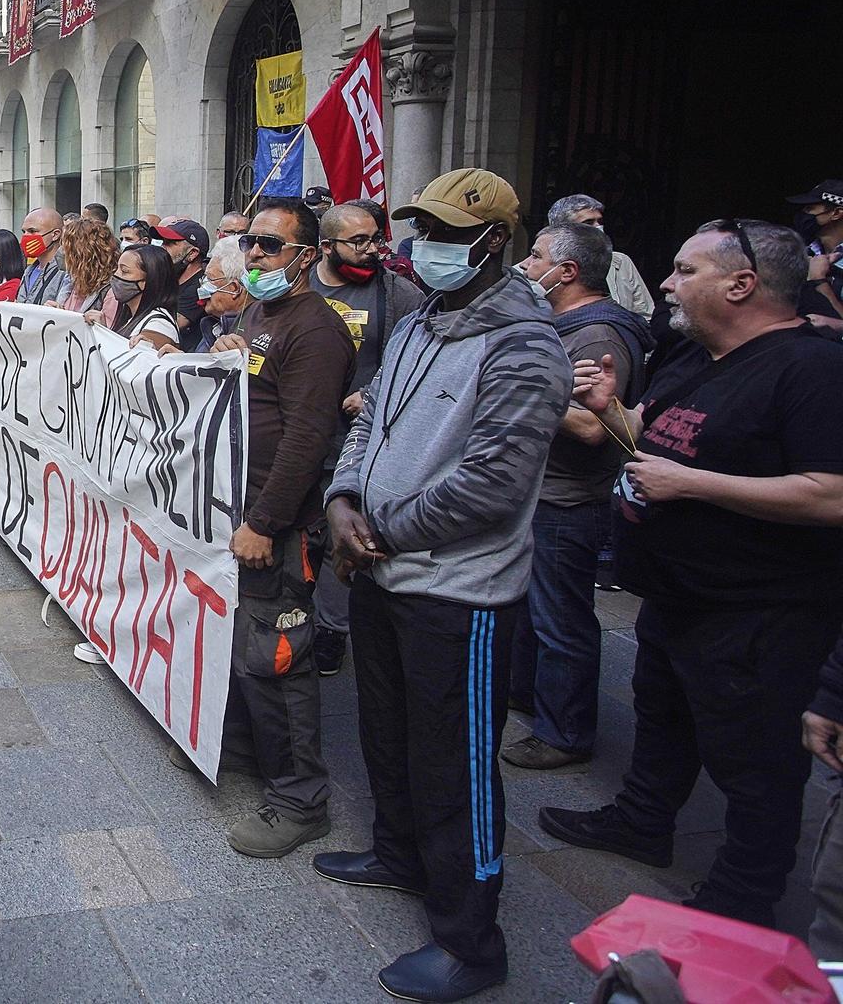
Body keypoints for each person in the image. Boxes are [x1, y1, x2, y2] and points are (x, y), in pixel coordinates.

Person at [538, 218, 843, 932]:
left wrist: (695, 487)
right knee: (662, 715)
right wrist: (608, 409)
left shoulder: (811, 370)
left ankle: (745, 896)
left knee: (756, 762)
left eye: (684, 269)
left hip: (760, 613)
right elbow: (649, 437)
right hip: (678, 597)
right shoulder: (693, 356)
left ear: (742, 284)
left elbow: (831, 492)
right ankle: (643, 821)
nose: (667, 283)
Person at [321, 168, 569, 1003]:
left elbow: (493, 484)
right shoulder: (423, 319)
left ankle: (471, 941)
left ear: (494, 244)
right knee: (385, 731)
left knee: (454, 760)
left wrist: (381, 535)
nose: (423, 248)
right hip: (380, 571)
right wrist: (343, 499)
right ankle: (398, 854)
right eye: (420, 231)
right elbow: (372, 421)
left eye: (447, 236)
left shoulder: (526, 346)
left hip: (457, 593)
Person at [203, 198, 356, 861]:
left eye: (271, 245)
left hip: (276, 523)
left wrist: (266, 521)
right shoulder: (259, 310)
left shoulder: (318, 331)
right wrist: (226, 349)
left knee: (278, 657)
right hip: (235, 509)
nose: (257, 256)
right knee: (241, 641)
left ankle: (300, 801)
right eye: (252, 246)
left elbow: (307, 437)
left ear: (307, 255)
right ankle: (244, 748)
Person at [499, 223, 650, 769]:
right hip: (536, 493)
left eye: (535, 256)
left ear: (567, 271)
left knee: (561, 619)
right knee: (532, 612)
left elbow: (594, 428)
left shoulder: (599, 336)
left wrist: (519, 389)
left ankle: (564, 732)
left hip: (567, 503)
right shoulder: (556, 323)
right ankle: (528, 696)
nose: (525, 264)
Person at [306, 202, 426, 676]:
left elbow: (418, 358)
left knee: (343, 533)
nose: (373, 250)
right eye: (358, 241)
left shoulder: (401, 295)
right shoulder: (297, 283)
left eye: (376, 239)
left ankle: (331, 630)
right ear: (325, 246)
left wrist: (374, 392)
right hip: (301, 436)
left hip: (357, 443)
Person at [547, 194, 654, 319]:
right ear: (563, 230)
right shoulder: (535, 268)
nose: (598, 227)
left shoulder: (621, 261)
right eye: (588, 222)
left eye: (600, 221)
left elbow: (645, 314)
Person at [102, 243, 184, 354]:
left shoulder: (159, 324)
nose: (116, 275)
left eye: (125, 271)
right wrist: (102, 330)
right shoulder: (130, 317)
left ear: (148, 281)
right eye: (117, 268)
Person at [787, 178, 843, 331]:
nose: (804, 214)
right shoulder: (801, 252)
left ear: (836, 213)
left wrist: (818, 279)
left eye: (810, 208)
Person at [154, 219, 211, 349]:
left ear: (192, 253)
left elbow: (170, 325)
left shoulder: (200, 286)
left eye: (170, 243)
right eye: (163, 242)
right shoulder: (174, 274)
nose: (162, 247)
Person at [193, 236, 252, 347]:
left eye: (210, 279)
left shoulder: (251, 335)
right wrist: (182, 359)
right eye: (204, 277)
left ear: (234, 288)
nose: (203, 284)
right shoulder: (214, 325)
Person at [53, 216, 118, 314]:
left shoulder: (111, 292)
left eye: (65, 247)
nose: (61, 251)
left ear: (81, 254)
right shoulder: (72, 282)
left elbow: (107, 327)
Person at [16, 208, 72, 306]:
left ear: (55, 235)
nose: (26, 236)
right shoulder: (29, 270)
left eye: (32, 231)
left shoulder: (67, 271)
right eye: (24, 231)